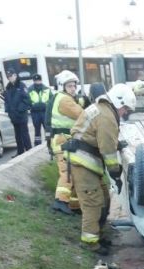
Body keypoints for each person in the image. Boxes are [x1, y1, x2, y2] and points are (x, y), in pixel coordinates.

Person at [63, 83, 136, 255]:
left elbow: (102, 138)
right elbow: (107, 149)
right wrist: (116, 172)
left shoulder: (103, 109)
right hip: (83, 162)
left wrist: (117, 144)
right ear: (119, 103)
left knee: (104, 199)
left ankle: (97, 234)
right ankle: (90, 244)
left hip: (85, 161)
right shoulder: (107, 117)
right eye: (125, 109)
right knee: (93, 203)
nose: (125, 113)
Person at [47, 70, 83, 215]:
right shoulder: (65, 100)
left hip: (63, 140)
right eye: (69, 86)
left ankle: (73, 204)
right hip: (63, 140)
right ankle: (60, 201)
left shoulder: (60, 97)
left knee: (72, 172)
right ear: (63, 86)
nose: (73, 89)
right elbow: (81, 114)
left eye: (74, 86)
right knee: (67, 172)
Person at [4, 69, 32, 157]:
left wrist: (20, 109)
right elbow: (6, 101)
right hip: (13, 115)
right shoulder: (8, 87)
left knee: (24, 133)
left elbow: (27, 100)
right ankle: (20, 151)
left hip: (21, 114)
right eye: (8, 77)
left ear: (15, 75)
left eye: (11, 76)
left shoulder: (21, 85)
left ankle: (29, 150)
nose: (10, 78)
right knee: (17, 135)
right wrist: (8, 110)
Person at [28, 74, 52, 146]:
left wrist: (47, 106)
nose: (37, 82)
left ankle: (49, 141)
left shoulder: (46, 89)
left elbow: (51, 99)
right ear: (33, 81)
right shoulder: (30, 89)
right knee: (37, 129)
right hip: (35, 113)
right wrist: (31, 107)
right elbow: (27, 100)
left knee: (47, 128)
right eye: (36, 81)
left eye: (38, 80)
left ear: (41, 80)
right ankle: (37, 144)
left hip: (45, 112)